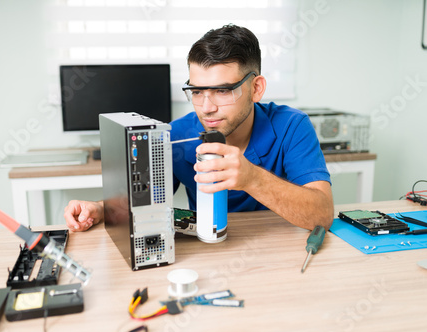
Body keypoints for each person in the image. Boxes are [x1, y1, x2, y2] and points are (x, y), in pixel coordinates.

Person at [64, 24, 334, 232]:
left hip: (280, 251)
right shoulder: (176, 135)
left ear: (256, 88)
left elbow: (322, 215)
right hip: (208, 252)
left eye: (222, 91)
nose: (206, 107)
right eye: (196, 91)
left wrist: (252, 178)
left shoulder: (291, 126)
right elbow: (141, 201)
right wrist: (99, 209)